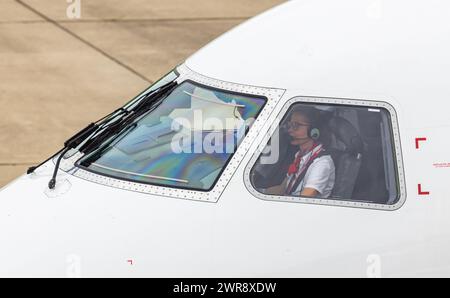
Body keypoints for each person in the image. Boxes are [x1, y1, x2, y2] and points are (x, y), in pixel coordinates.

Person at [266, 106, 335, 198]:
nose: (290, 130)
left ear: (314, 130)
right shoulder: (300, 155)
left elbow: (305, 199)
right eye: (290, 125)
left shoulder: (322, 163)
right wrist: (261, 192)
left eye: (296, 125)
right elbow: (283, 188)